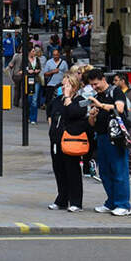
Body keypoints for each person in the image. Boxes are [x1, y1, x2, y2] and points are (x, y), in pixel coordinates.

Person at [86, 69, 131, 216]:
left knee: (119, 170)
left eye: (96, 84)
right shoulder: (97, 96)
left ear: (103, 79)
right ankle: (111, 202)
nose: (94, 87)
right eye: (92, 85)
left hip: (115, 137)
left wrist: (101, 105)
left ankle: (123, 204)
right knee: (104, 172)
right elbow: (91, 123)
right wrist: (92, 115)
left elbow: (119, 108)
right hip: (101, 136)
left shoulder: (116, 92)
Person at [47, 73, 89, 212]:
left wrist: (68, 98)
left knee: (72, 171)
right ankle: (62, 199)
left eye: (66, 85)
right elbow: (50, 114)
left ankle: (76, 201)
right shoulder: (57, 100)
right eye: (63, 84)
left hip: (72, 140)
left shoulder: (81, 100)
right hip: (56, 140)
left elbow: (74, 113)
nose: (63, 87)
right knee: (59, 170)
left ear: (74, 86)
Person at [25, 47, 42, 125]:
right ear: (29, 52)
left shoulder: (37, 59)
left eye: (34, 51)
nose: (34, 52)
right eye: (33, 51)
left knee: (34, 100)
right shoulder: (25, 60)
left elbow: (39, 68)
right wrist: (28, 71)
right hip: (28, 80)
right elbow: (22, 69)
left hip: (36, 80)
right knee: (29, 99)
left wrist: (37, 70)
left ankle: (33, 118)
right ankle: (27, 116)